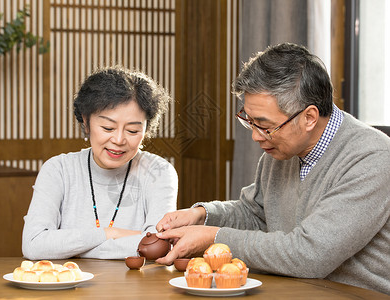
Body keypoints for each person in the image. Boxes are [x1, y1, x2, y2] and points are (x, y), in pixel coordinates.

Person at [155, 43, 390, 294]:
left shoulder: (372, 158)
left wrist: (214, 238)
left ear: (309, 117)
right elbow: (256, 215)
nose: (256, 136)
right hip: (290, 290)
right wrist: (203, 216)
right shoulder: (281, 149)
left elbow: (310, 254)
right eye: (250, 121)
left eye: (265, 125)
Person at [22, 66, 178, 260]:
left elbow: (158, 246)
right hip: (68, 286)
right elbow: (34, 245)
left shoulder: (159, 171)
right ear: (86, 122)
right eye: (108, 127)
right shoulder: (58, 170)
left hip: (136, 287)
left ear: (145, 131)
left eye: (132, 131)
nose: (119, 140)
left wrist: (68, 248)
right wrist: (108, 233)